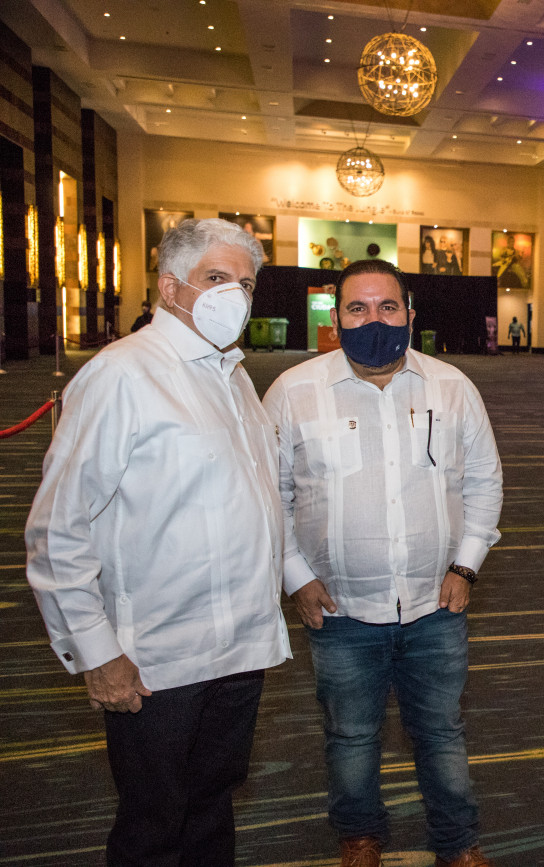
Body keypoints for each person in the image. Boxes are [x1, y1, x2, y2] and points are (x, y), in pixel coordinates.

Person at [25, 218, 291, 864]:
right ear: (171, 288)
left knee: (211, 811)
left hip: (238, 651)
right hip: (156, 661)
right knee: (154, 826)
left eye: (245, 283)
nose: (234, 295)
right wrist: (97, 652)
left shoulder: (234, 378)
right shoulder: (122, 374)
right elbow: (58, 528)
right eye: (215, 277)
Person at [263, 259, 503, 867]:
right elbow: (270, 496)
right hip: (339, 607)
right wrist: (296, 577)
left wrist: (466, 566)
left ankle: (457, 841)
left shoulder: (452, 387)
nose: (374, 320)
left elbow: (484, 482)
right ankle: (360, 837)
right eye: (358, 308)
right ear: (336, 317)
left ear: (410, 314)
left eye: (387, 307)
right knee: (350, 736)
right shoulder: (293, 392)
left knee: (441, 732)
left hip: (436, 603)